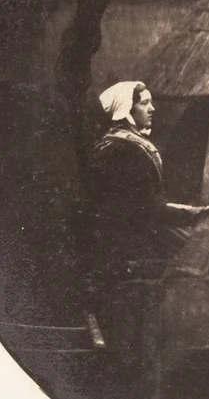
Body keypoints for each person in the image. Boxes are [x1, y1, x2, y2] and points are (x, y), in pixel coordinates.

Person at [83, 81, 198, 300]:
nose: (152, 109)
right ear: (127, 109)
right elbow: (145, 208)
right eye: (145, 103)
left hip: (134, 233)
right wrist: (191, 214)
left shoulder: (128, 145)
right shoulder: (122, 149)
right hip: (125, 245)